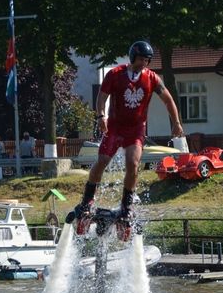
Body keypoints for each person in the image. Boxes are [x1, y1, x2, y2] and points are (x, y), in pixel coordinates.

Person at [71, 40, 183, 236]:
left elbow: (168, 100)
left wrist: (176, 122)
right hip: (114, 127)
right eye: (140, 59)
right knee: (103, 161)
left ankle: (126, 205)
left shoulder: (152, 78)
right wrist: (100, 116)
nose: (143, 64)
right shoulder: (115, 74)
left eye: (147, 60)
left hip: (136, 129)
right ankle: (88, 199)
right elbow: (102, 96)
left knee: (133, 164)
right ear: (132, 57)